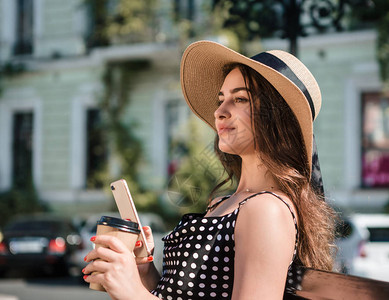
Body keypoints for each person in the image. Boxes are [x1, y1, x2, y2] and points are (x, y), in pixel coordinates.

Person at [82, 40, 336, 300]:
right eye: (221, 99)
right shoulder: (225, 203)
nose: (219, 112)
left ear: (276, 118)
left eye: (239, 99)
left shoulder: (267, 210)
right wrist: (144, 272)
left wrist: (133, 293)